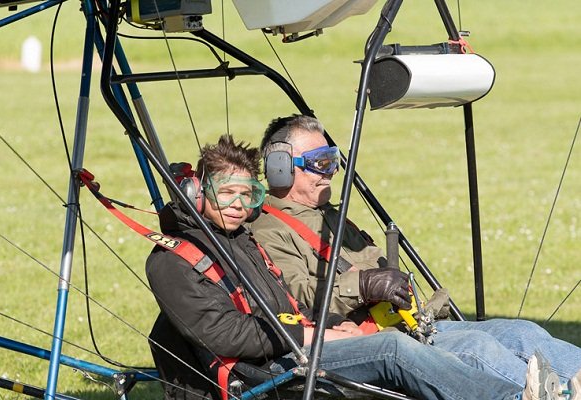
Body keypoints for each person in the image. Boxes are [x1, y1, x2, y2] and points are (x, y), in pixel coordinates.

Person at [146, 134, 550, 400]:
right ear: (197, 193)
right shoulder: (172, 261)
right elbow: (228, 335)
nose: (238, 204)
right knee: (393, 349)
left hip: (297, 346)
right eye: (226, 193)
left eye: (248, 194)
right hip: (262, 371)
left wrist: (333, 326)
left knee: (512, 332)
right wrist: (318, 335)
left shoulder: (240, 239)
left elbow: (286, 304)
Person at [250, 114, 581, 399]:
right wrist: (361, 285)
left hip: (406, 324)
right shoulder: (269, 229)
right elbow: (295, 297)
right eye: (319, 162)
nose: (331, 171)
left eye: (332, 160)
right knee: (478, 348)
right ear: (280, 168)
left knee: (521, 332)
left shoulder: (328, 216)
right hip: (366, 338)